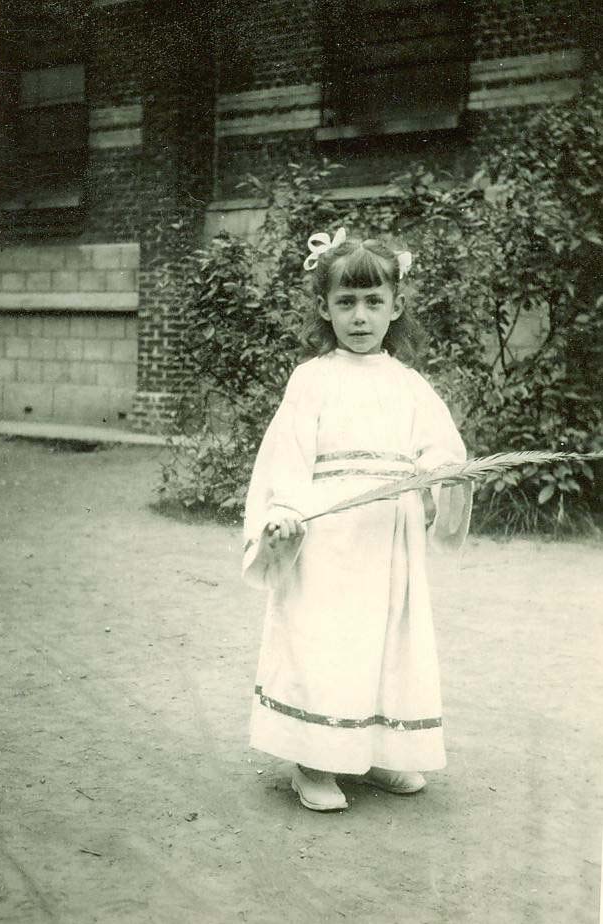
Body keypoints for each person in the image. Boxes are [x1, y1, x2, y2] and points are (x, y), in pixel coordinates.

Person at [242, 229, 471, 812]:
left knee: (386, 641)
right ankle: (314, 761)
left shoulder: (409, 385)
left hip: (388, 542)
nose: (361, 317)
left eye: (374, 302)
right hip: (328, 540)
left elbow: (440, 448)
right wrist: (287, 513)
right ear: (324, 308)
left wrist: (443, 473)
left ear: (397, 306)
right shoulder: (312, 379)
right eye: (346, 303)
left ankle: (377, 752)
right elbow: (287, 455)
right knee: (326, 640)